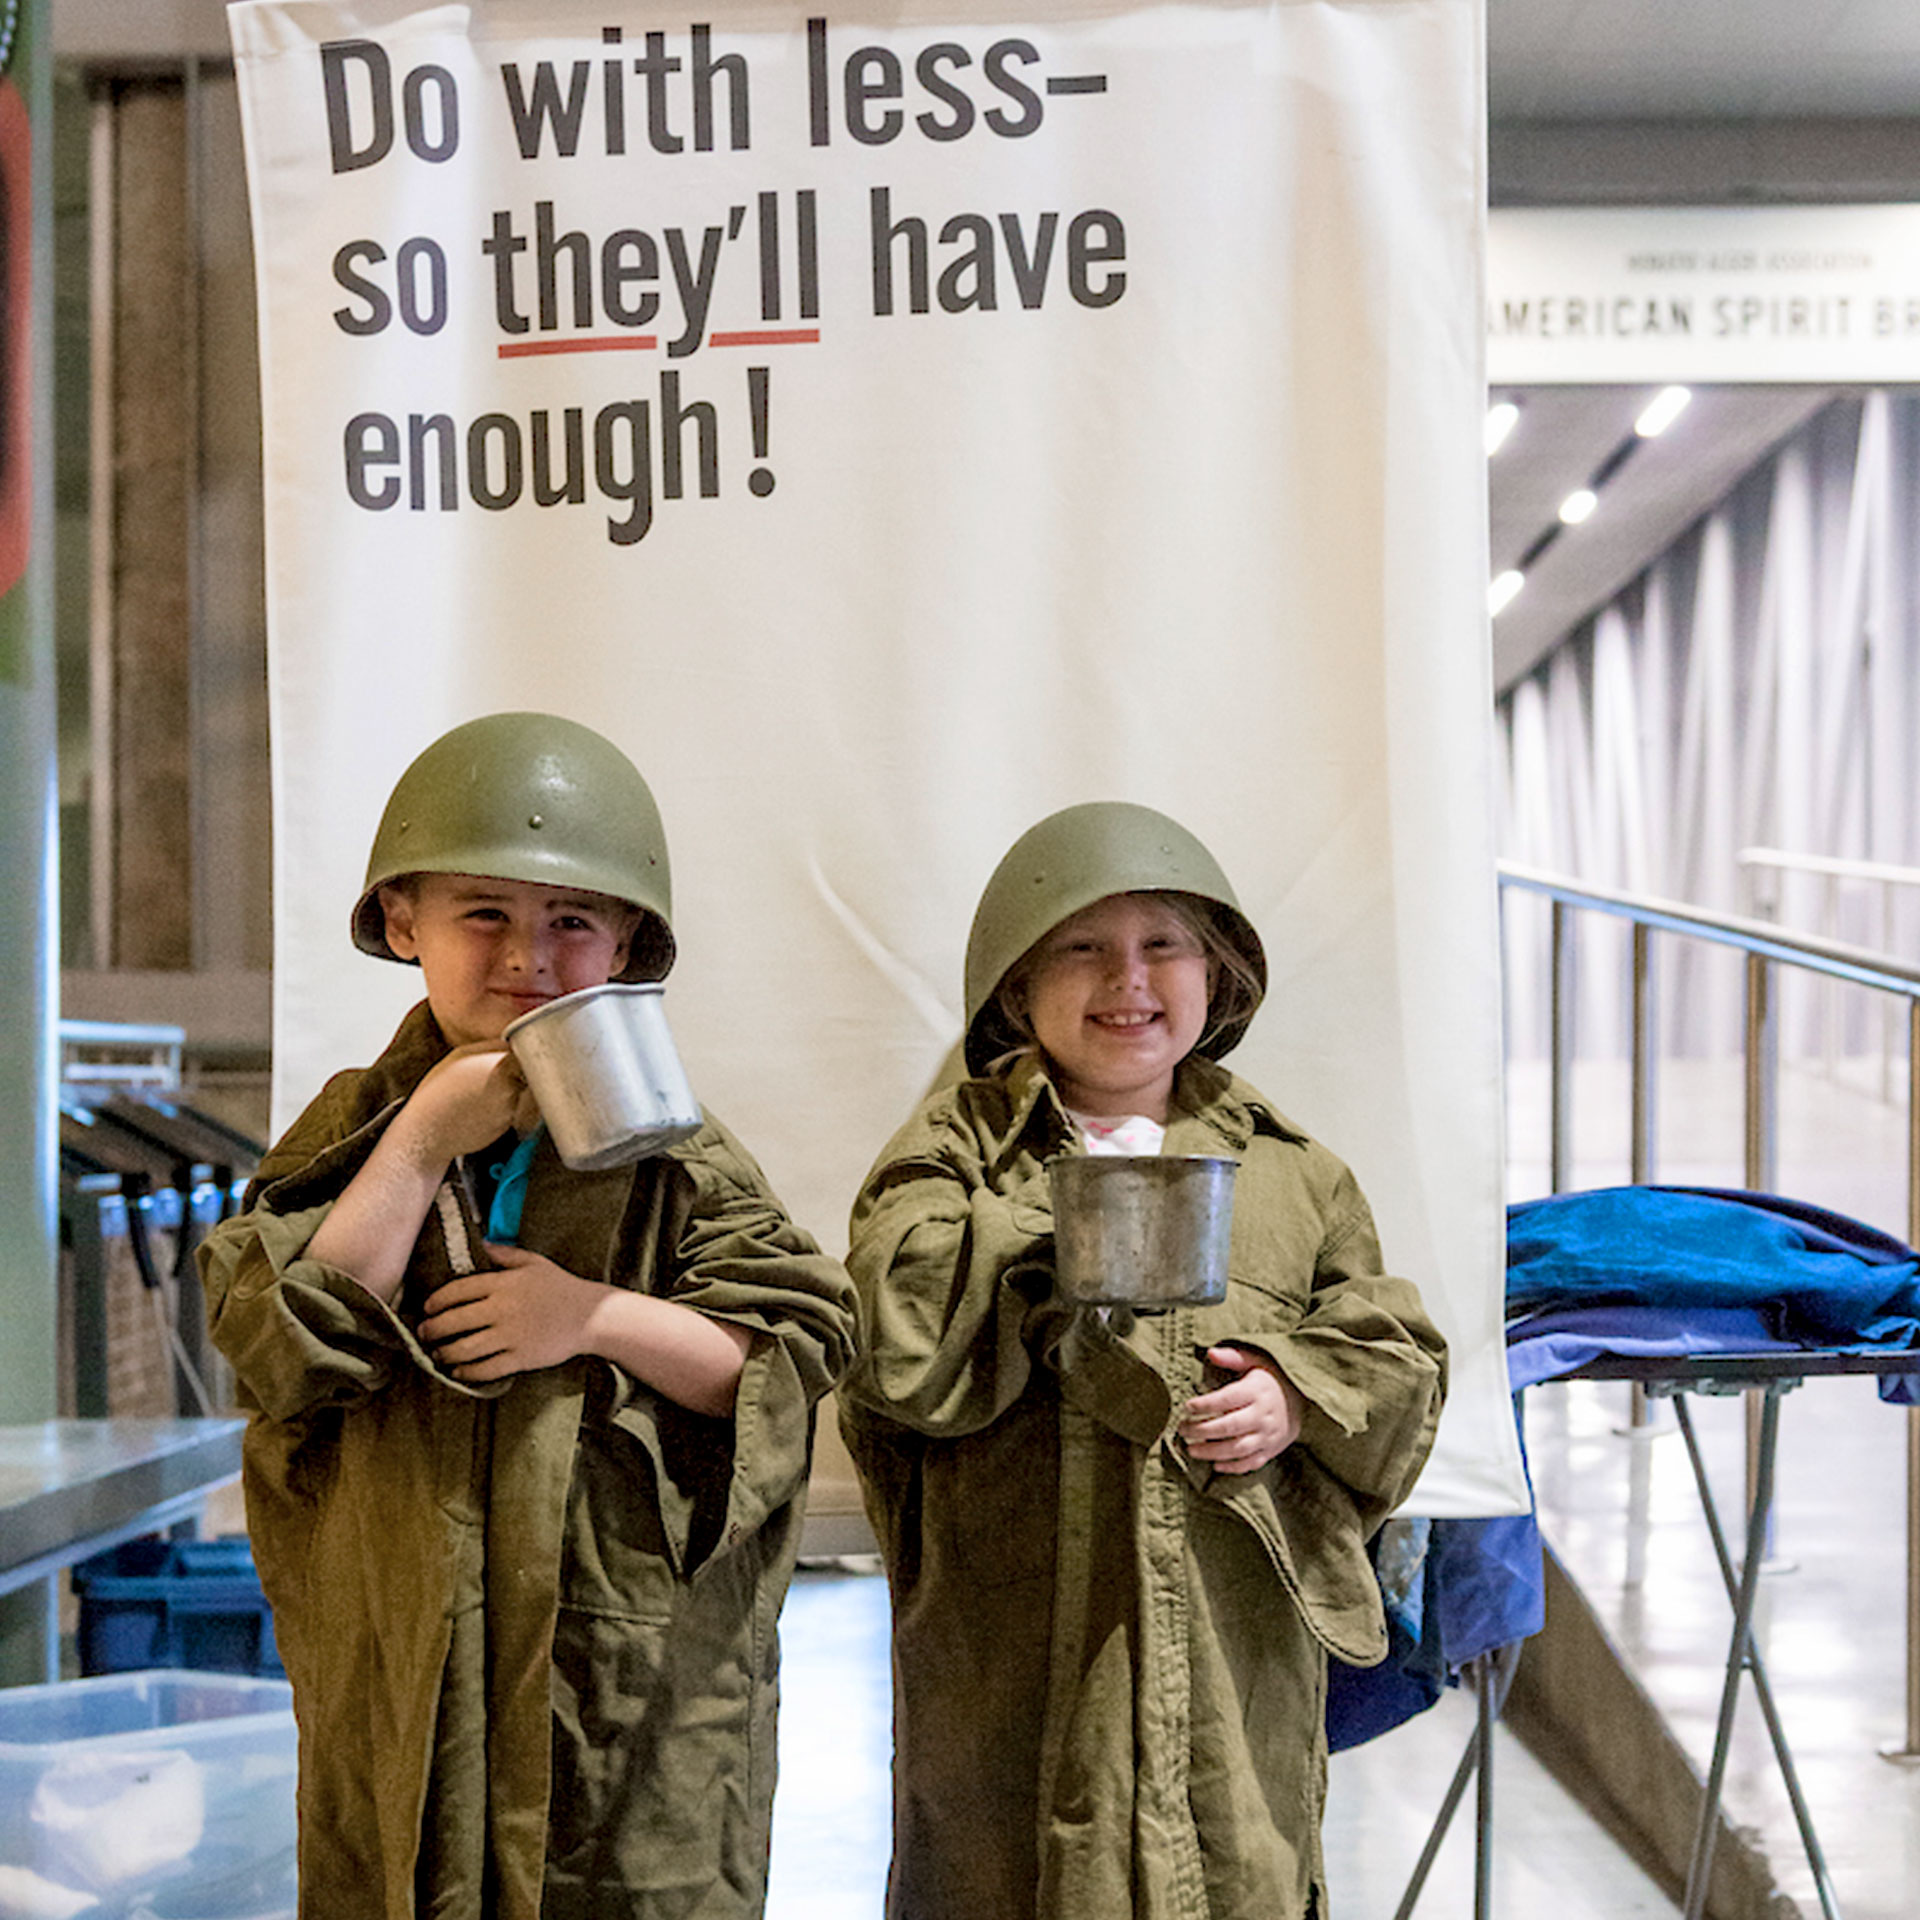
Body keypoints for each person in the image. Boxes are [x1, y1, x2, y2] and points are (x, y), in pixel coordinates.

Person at [197, 712, 858, 1920]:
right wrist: (422, 1138)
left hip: (626, 1686)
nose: (527, 956)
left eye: (571, 922)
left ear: (626, 945)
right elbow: (283, 1338)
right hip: (402, 1669)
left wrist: (590, 1317)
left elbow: (784, 1352)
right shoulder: (353, 1130)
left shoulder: (679, 1156)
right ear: (406, 923)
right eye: (482, 914)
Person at [837, 800, 1448, 1920]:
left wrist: (1293, 1396)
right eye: (1083, 947)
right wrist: (1046, 1229)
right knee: (995, 1878)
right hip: (1006, 1660)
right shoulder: (952, 1157)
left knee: (1227, 1882)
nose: (1128, 978)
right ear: (1019, 989)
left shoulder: (1296, 1176)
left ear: (1215, 980)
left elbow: (1394, 1352)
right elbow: (889, 1340)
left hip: (1226, 1664)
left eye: (1163, 944)